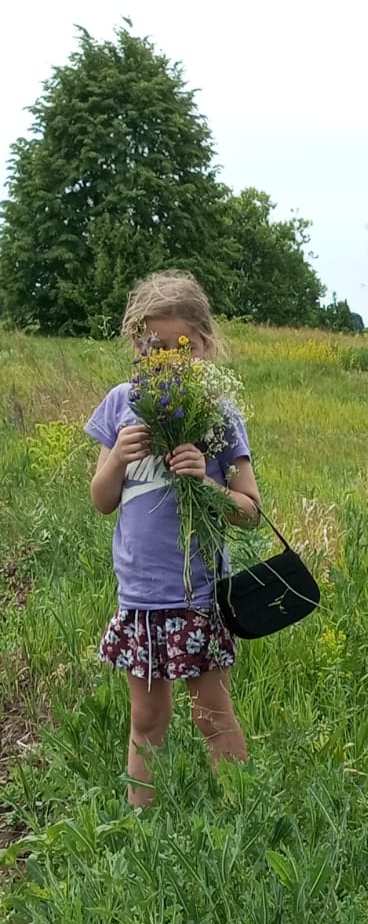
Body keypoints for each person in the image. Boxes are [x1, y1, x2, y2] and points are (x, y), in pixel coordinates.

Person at [86, 271, 262, 807]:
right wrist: (117, 455)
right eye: (150, 346)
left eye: (175, 346)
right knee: (147, 717)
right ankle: (143, 823)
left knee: (210, 711)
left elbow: (251, 511)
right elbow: (101, 499)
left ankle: (241, 813)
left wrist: (206, 483)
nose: (161, 356)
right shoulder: (122, 403)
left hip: (199, 596)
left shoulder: (216, 413)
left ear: (203, 345)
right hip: (139, 596)